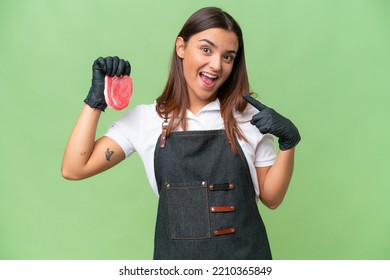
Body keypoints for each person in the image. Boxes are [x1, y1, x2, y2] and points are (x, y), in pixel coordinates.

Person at [61, 7, 300, 260]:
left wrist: (288, 143)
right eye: (206, 50)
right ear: (181, 47)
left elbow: (272, 199)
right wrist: (95, 100)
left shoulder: (250, 116)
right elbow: (75, 168)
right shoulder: (147, 120)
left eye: (228, 57)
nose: (216, 65)